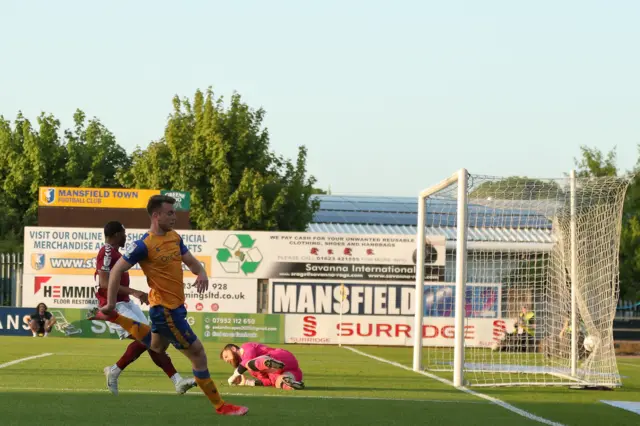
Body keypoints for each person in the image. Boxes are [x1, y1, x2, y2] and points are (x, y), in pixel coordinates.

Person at [89, 195, 248, 416]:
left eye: (174, 212)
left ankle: (115, 319)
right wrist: (112, 303)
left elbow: (192, 262)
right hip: (166, 310)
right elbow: (115, 271)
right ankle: (221, 406)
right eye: (170, 213)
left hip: (174, 307)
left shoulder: (174, 237)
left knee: (157, 347)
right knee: (198, 354)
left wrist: (201, 272)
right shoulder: (143, 245)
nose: (175, 217)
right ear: (156, 216)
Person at [94, 220, 198, 396]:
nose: (126, 236)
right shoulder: (107, 251)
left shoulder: (117, 254)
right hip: (114, 306)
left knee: (153, 342)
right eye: (124, 232)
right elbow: (104, 283)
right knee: (148, 339)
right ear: (117, 235)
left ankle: (178, 382)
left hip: (125, 303)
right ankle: (115, 370)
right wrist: (135, 291)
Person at [220, 343, 305, 390]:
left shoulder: (245, 347)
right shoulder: (251, 369)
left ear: (233, 349)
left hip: (281, 356)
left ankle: (268, 362)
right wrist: (247, 382)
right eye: (226, 360)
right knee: (278, 383)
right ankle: (290, 383)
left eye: (226, 356)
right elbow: (267, 381)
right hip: (292, 371)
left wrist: (235, 375)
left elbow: (247, 360)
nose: (227, 360)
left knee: (251, 363)